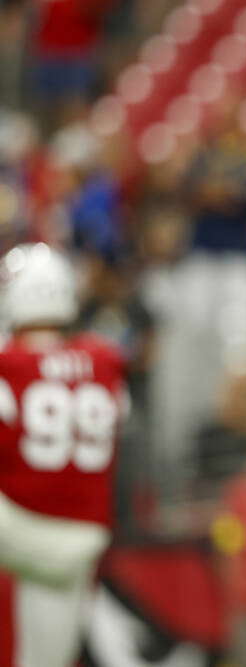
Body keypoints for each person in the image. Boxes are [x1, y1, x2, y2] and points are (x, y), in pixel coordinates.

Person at [0, 243, 128, 666]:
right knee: (49, 654)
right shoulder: (105, 358)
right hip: (85, 533)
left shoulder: (9, 364)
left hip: (24, 528)